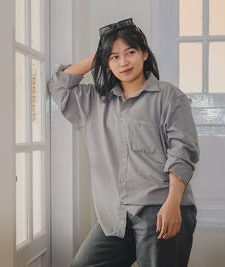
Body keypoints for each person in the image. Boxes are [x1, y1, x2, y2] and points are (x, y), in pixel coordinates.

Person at [47, 18, 200, 267]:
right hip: (114, 216)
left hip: (160, 207)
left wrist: (173, 202)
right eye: (114, 57)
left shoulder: (169, 96)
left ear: (144, 54)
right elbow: (58, 85)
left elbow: (182, 151)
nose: (123, 62)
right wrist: (100, 54)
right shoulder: (94, 101)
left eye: (130, 53)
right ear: (106, 63)